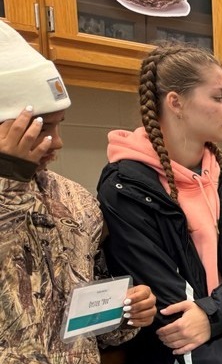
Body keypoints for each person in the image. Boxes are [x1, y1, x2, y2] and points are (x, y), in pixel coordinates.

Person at [97, 44, 222, 363]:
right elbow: (169, 307)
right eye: (218, 96)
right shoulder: (126, 188)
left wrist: (213, 313)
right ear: (176, 103)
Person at [0, 21, 156, 363]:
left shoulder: (76, 200)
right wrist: (10, 180)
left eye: (59, 125)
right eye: (41, 127)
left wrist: (126, 310)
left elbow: (86, 318)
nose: (57, 142)